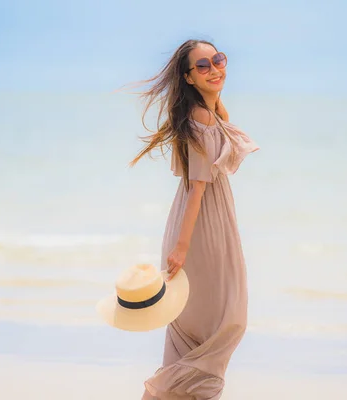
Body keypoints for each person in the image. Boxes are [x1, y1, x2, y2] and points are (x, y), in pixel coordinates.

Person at [128, 39, 260, 400]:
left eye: (218, 60)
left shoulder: (207, 111)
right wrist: (181, 248)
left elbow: (221, 134)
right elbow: (199, 186)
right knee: (226, 321)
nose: (215, 69)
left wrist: (214, 96)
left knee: (196, 326)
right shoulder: (200, 117)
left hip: (203, 217)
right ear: (187, 77)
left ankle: (171, 391)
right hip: (202, 225)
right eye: (203, 66)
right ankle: (175, 391)